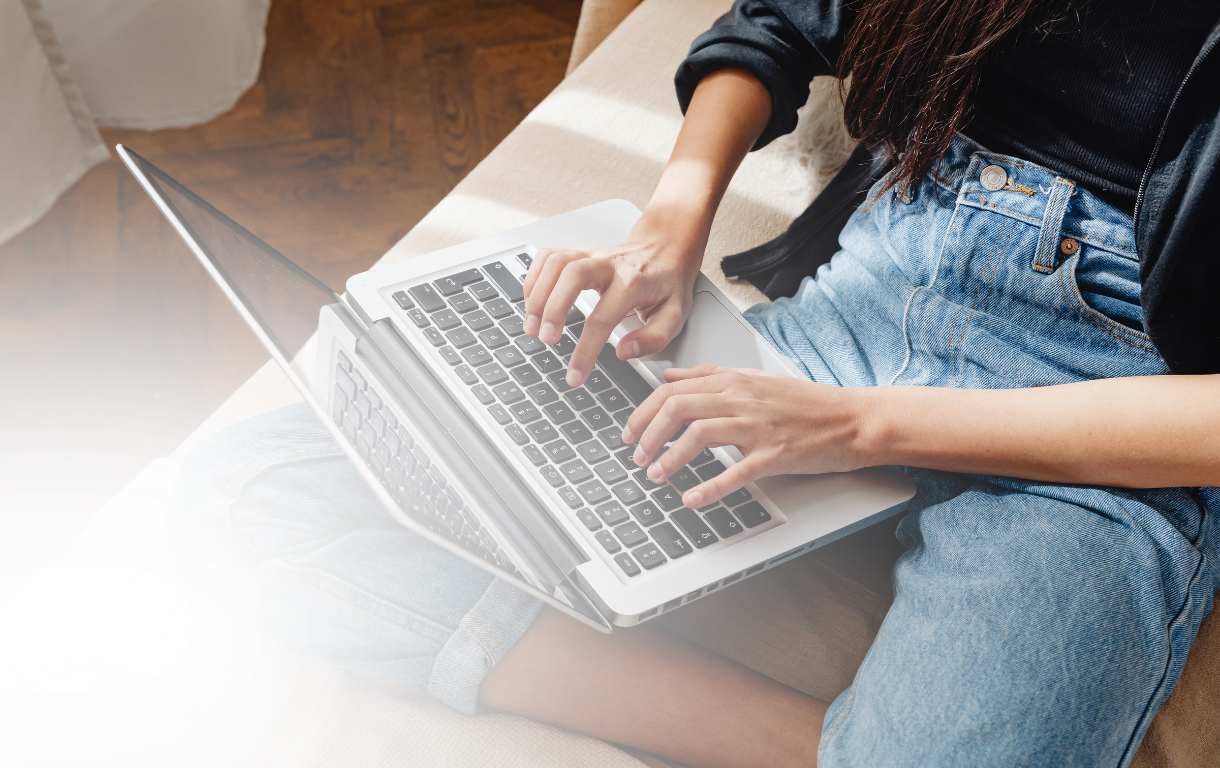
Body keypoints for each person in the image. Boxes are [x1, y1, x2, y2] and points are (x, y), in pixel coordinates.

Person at [170, 1, 1220, 765]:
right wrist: (669, 224)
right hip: (876, 284)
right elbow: (778, 19)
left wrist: (853, 424)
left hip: (1113, 402)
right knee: (247, 493)